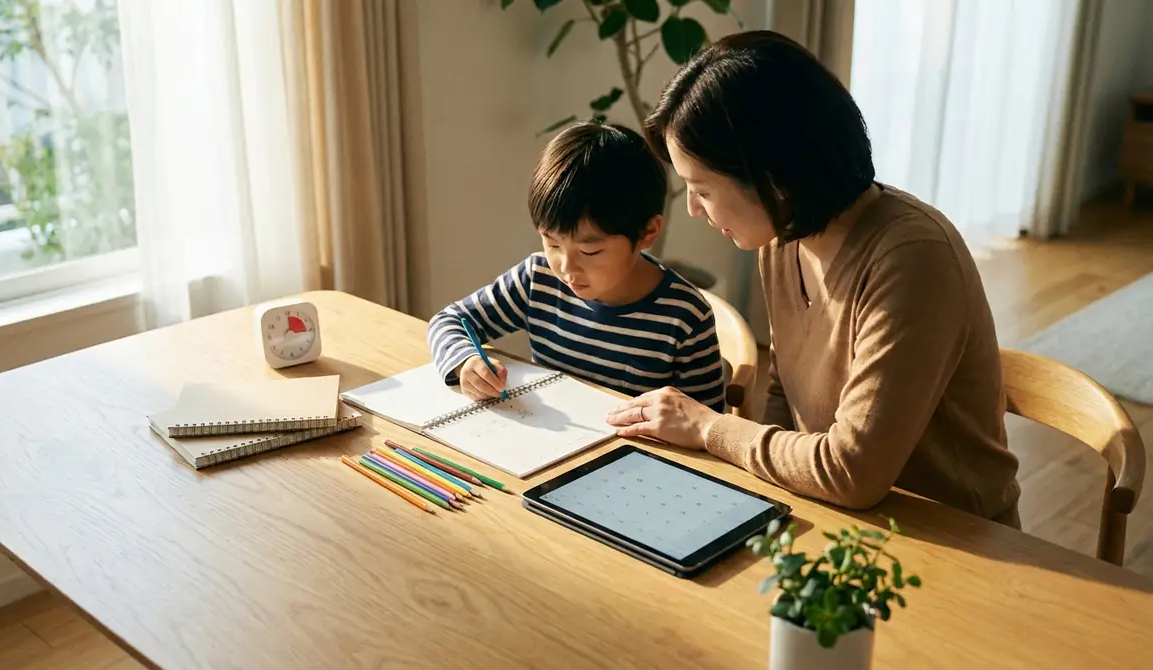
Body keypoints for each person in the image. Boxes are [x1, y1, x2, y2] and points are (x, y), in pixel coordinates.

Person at [604, 30, 1023, 528]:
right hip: (836, 519)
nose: (693, 209)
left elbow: (853, 472)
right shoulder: (785, 239)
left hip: (950, 539)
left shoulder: (914, 259)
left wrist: (709, 427)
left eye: (702, 190)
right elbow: (789, 396)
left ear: (773, 177)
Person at [427, 121, 726, 413]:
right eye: (552, 244)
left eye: (590, 250)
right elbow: (448, 320)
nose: (567, 267)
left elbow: (707, 427)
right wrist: (464, 361)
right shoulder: (537, 279)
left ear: (647, 233)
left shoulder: (685, 317)